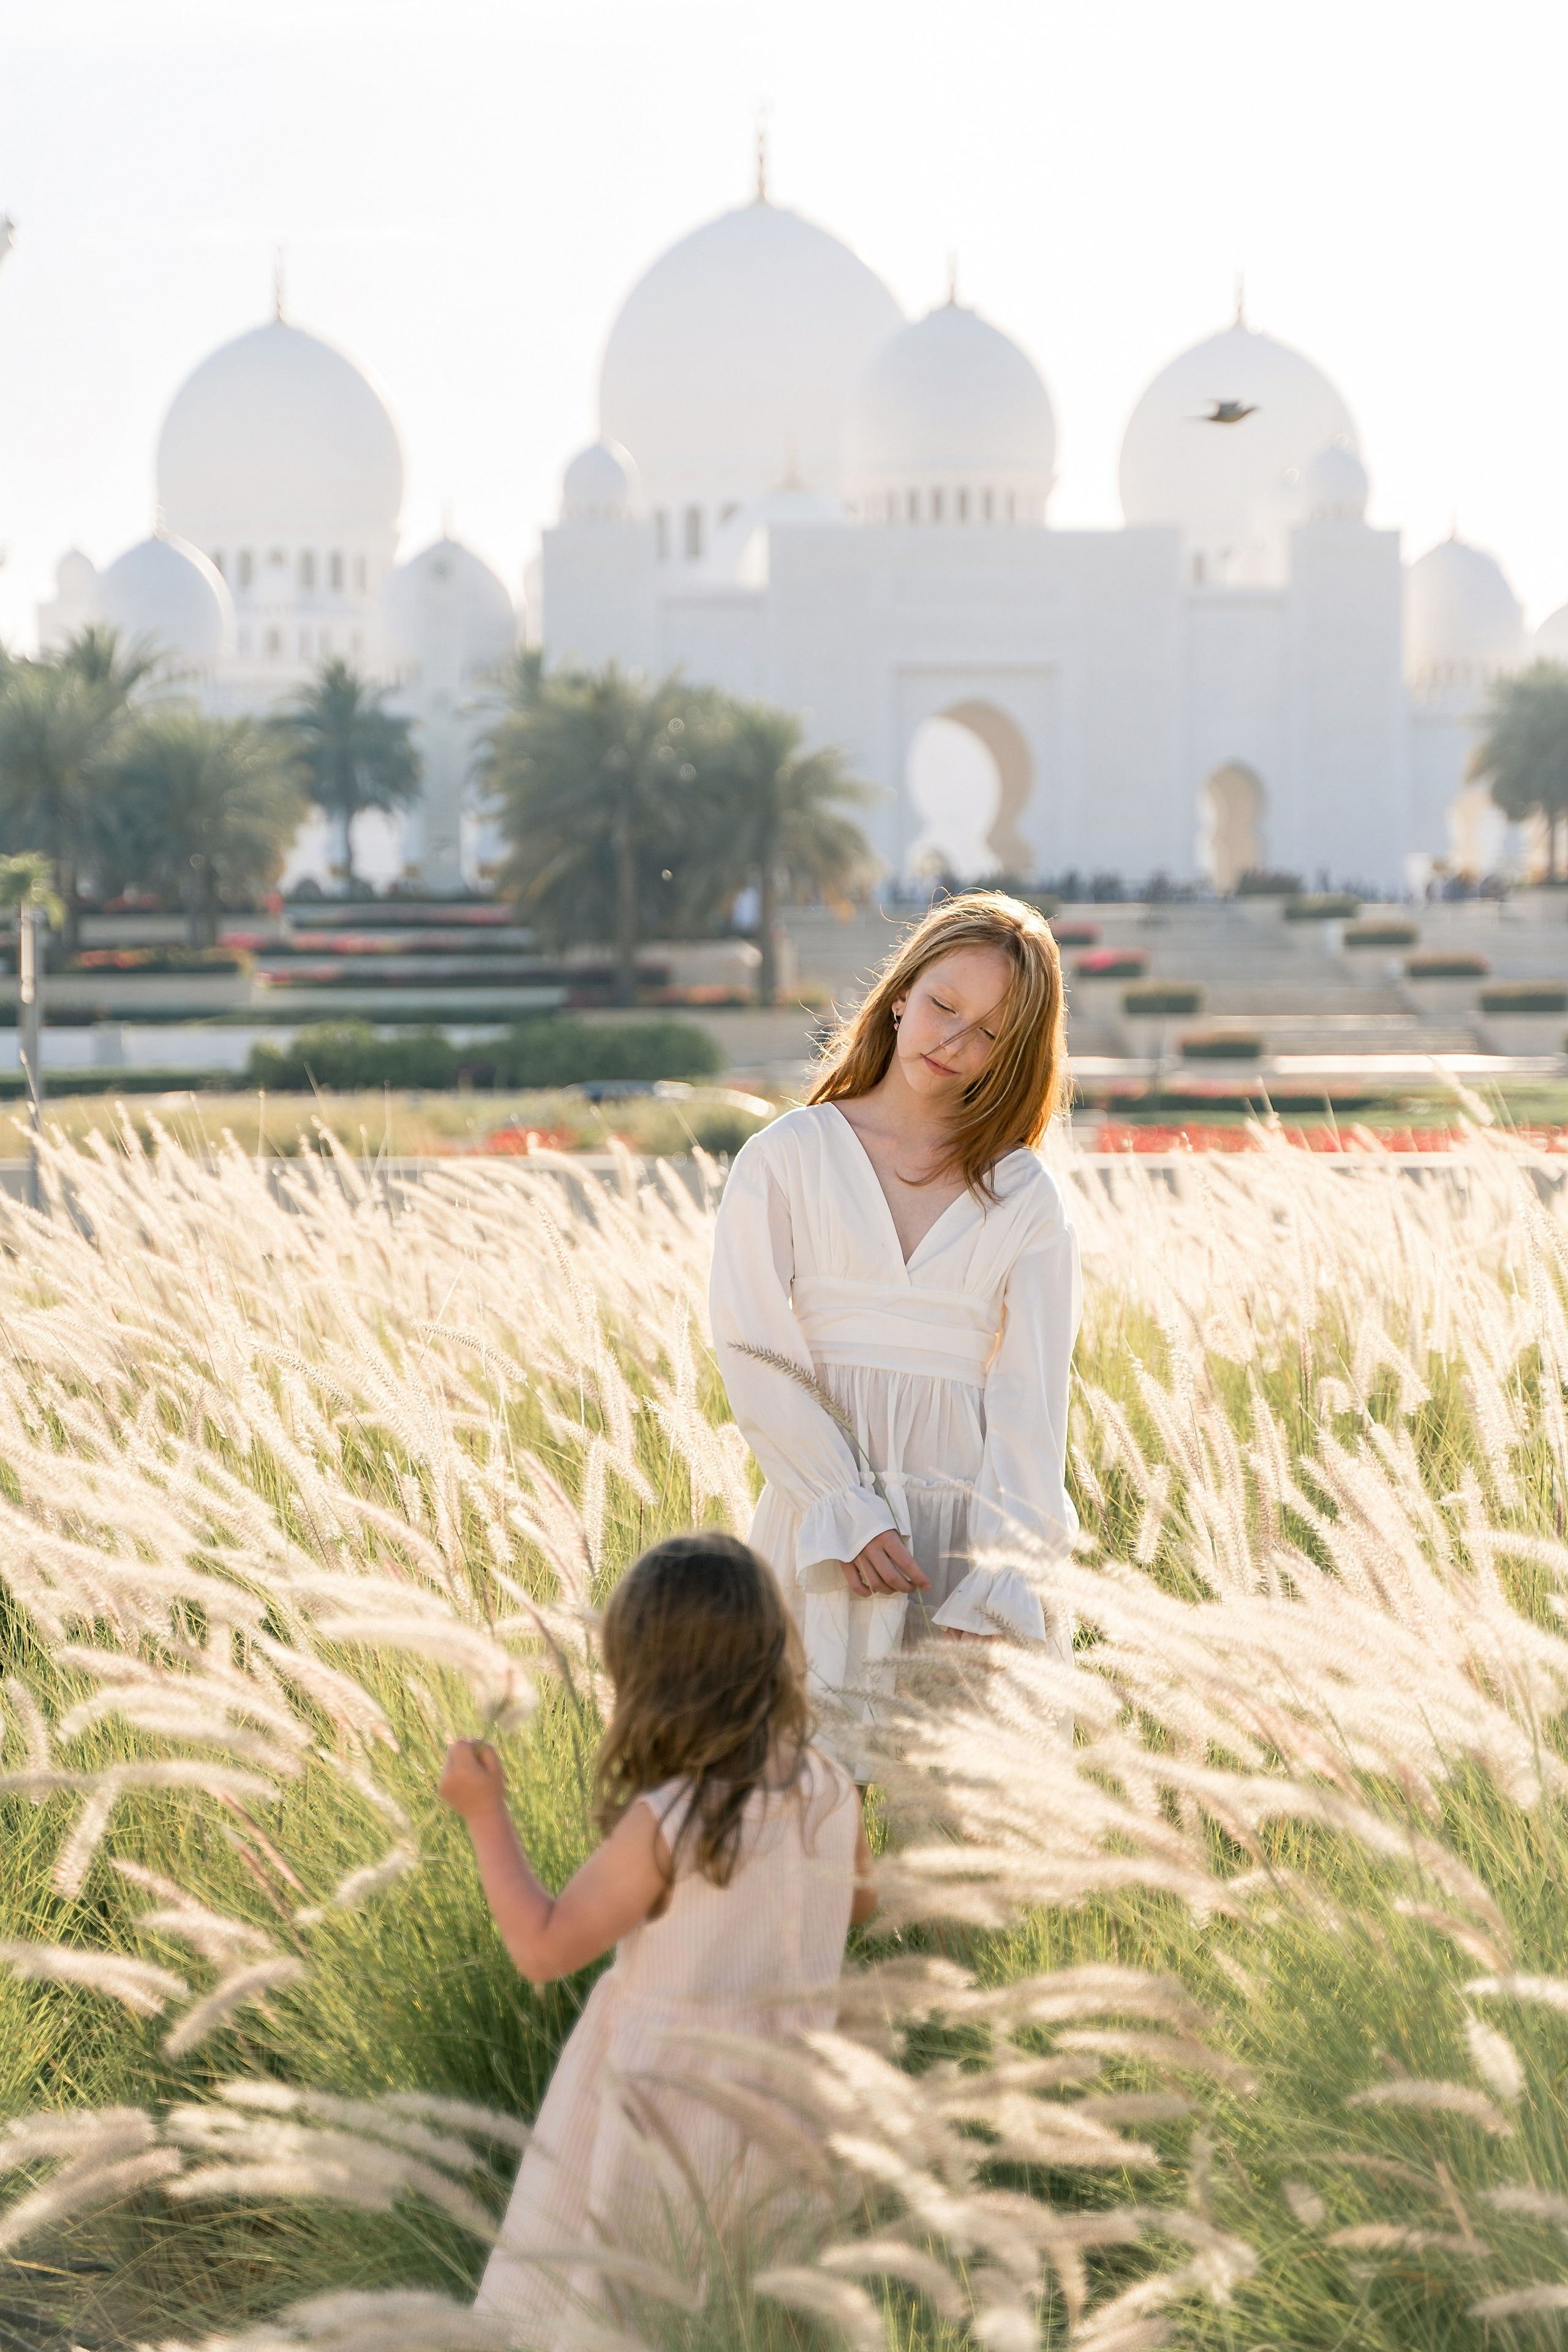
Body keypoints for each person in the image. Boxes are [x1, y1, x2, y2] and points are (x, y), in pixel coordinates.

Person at [441, 1531, 875, 2343]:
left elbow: (543, 1949)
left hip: (663, 2117)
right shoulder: (831, 1789)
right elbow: (858, 1905)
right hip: (790, 2103)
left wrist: (485, 1814)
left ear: (649, 1684)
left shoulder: (670, 1821)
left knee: (626, 2311)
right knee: (756, 2307)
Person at [709, 891, 1081, 1721]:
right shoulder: (787, 1157)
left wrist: (1003, 1578)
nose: (954, 1042)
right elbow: (750, 1345)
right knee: (808, 1786)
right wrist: (839, 1508)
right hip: (820, 1526)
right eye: (944, 1006)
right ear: (902, 993)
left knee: (961, 1796)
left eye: (989, 1033)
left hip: (966, 1537)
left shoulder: (1024, 1194)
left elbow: (1032, 1401)